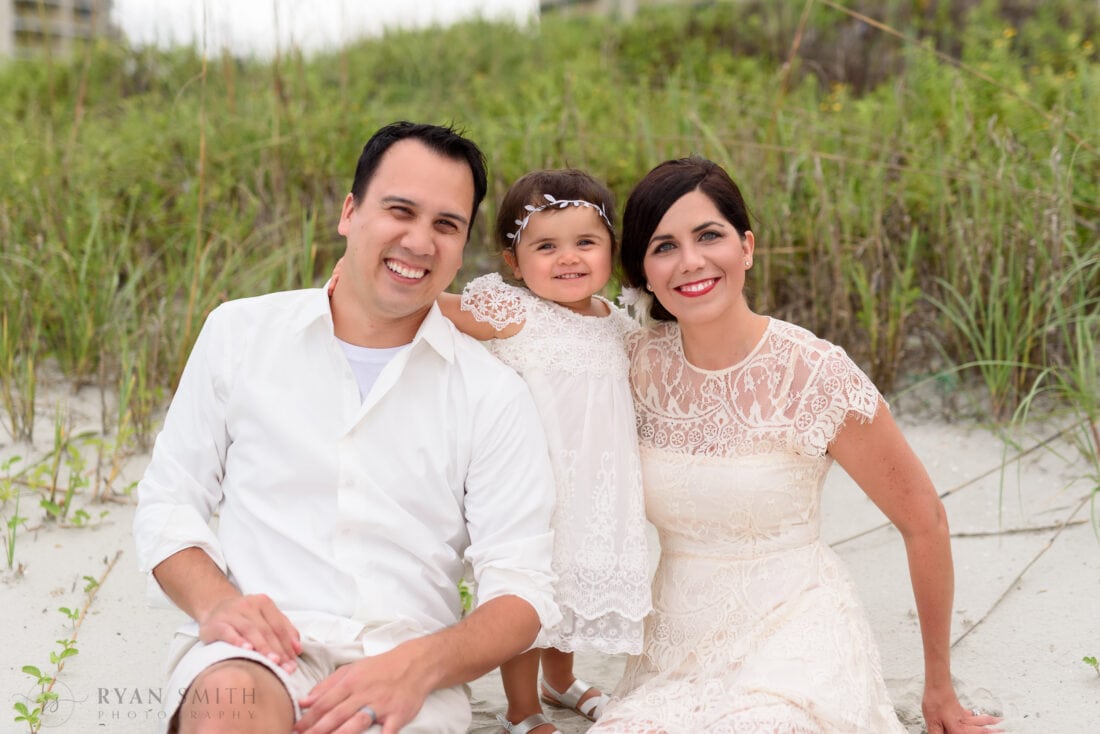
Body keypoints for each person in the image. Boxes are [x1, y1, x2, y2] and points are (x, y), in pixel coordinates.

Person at [132, 121, 560, 734]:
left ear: (463, 245)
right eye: (400, 210)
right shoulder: (239, 335)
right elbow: (169, 503)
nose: (419, 240)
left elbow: (521, 588)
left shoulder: (492, 393)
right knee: (230, 705)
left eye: (446, 224)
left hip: (408, 670)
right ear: (350, 211)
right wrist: (217, 603)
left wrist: (421, 665)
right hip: (257, 651)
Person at [588, 156, 1004, 734]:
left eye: (710, 235)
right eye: (664, 246)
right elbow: (533, 331)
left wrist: (939, 686)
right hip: (677, 649)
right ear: (643, 272)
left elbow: (924, 521)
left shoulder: (815, 373)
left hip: (797, 632)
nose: (691, 261)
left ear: (747, 247)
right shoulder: (631, 362)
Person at [331, 168, 652, 734]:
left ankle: (562, 680)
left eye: (586, 243)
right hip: (538, 487)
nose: (568, 259)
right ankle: (523, 707)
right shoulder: (515, 314)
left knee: (576, 589)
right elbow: (434, 306)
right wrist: (360, 282)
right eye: (546, 246)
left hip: (600, 492)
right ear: (514, 261)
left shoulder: (617, 325)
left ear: (610, 251)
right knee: (529, 591)